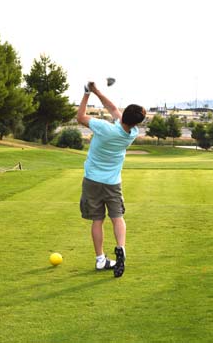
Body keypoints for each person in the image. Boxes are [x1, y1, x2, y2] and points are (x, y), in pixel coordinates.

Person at [76, 81, 146, 278]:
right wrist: (97, 90)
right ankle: (121, 249)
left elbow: (80, 117)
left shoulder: (104, 128)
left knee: (97, 220)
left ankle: (100, 260)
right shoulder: (132, 133)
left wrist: (87, 93)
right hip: (113, 183)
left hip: (92, 181)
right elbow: (114, 109)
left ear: (124, 115)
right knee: (117, 217)